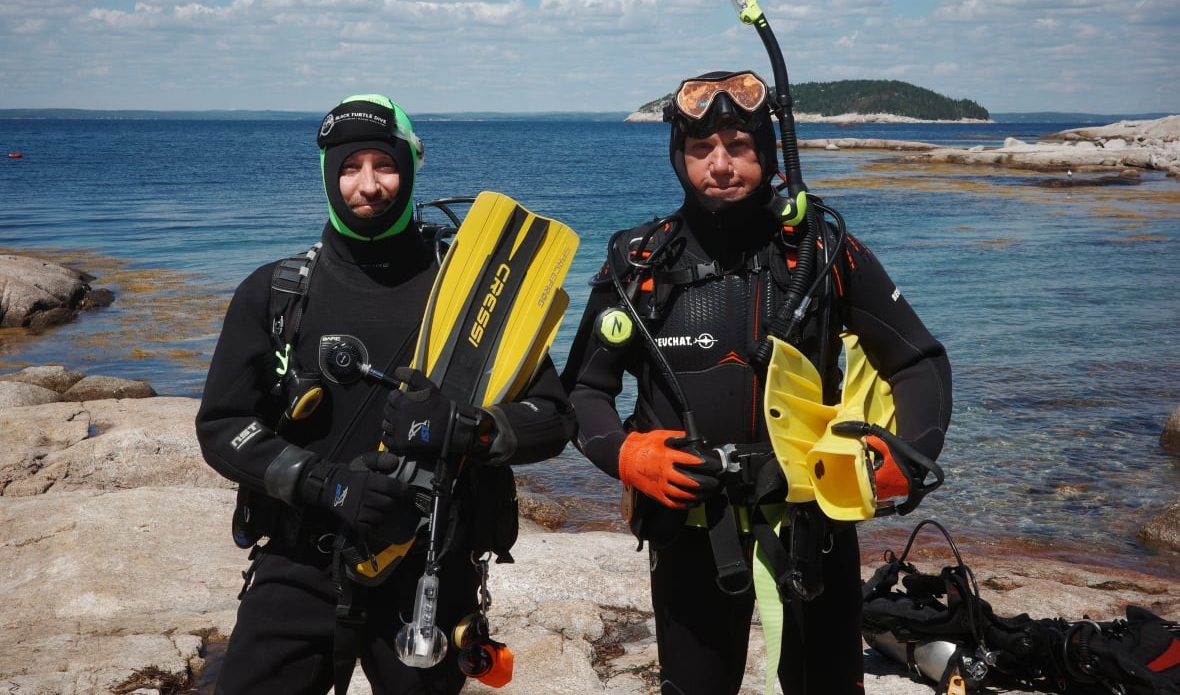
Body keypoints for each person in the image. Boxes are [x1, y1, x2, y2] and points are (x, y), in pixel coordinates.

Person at [561, 70, 952, 694]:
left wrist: (907, 453)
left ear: (769, 153)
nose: (719, 165)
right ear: (678, 157)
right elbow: (581, 392)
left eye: (739, 146)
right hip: (689, 524)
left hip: (809, 525)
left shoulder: (825, 253)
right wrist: (627, 454)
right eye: (700, 150)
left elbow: (919, 361)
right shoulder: (638, 265)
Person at [196, 93, 576, 695]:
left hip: (428, 572)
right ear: (326, 174)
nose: (368, 186)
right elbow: (223, 427)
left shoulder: (470, 292)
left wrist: (464, 427)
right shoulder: (276, 293)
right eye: (349, 167)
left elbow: (553, 419)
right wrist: (323, 483)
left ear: (412, 167)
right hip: (301, 564)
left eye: (385, 165)